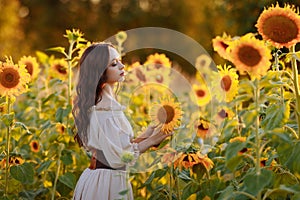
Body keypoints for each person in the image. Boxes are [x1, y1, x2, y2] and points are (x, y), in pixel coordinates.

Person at [72, 42, 172, 200]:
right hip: (106, 183)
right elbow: (121, 157)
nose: (121, 66)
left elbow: (118, 147)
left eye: (119, 60)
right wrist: (155, 139)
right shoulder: (104, 110)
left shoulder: (104, 104)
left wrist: (148, 133)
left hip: (104, 178)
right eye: (113, 64)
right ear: (100, 71)